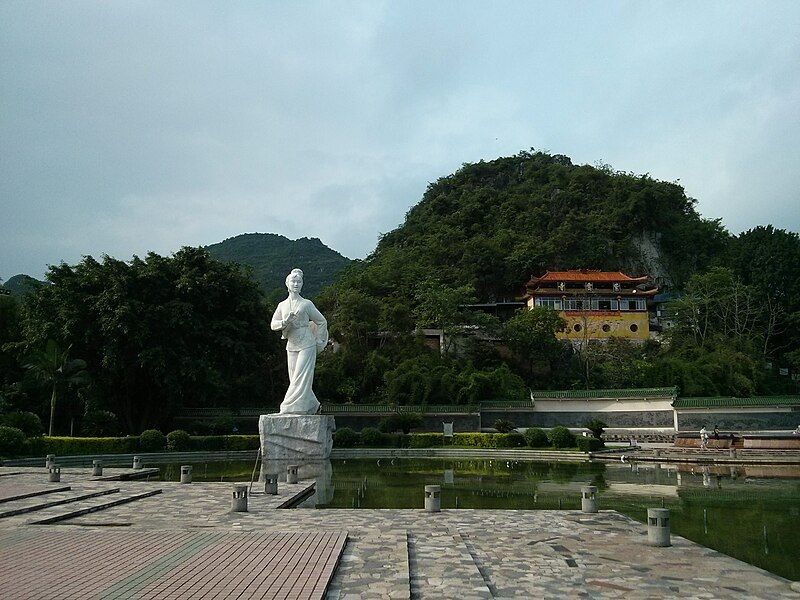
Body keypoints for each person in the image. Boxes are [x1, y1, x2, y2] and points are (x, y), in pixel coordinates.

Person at [271, 268, 328, 414]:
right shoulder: (282, 305)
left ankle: (289, 406)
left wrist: (319, 341)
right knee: (295, 379)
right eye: (293, 281)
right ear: (287, 283)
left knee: (300, 378)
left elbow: (321, 321)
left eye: (299, 281)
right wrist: (285, 321)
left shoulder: (306, 304)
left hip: (307, 343)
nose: (296, 284)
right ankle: (313, 404)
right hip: (291, 344)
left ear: (302, 284)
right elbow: (273, 324)